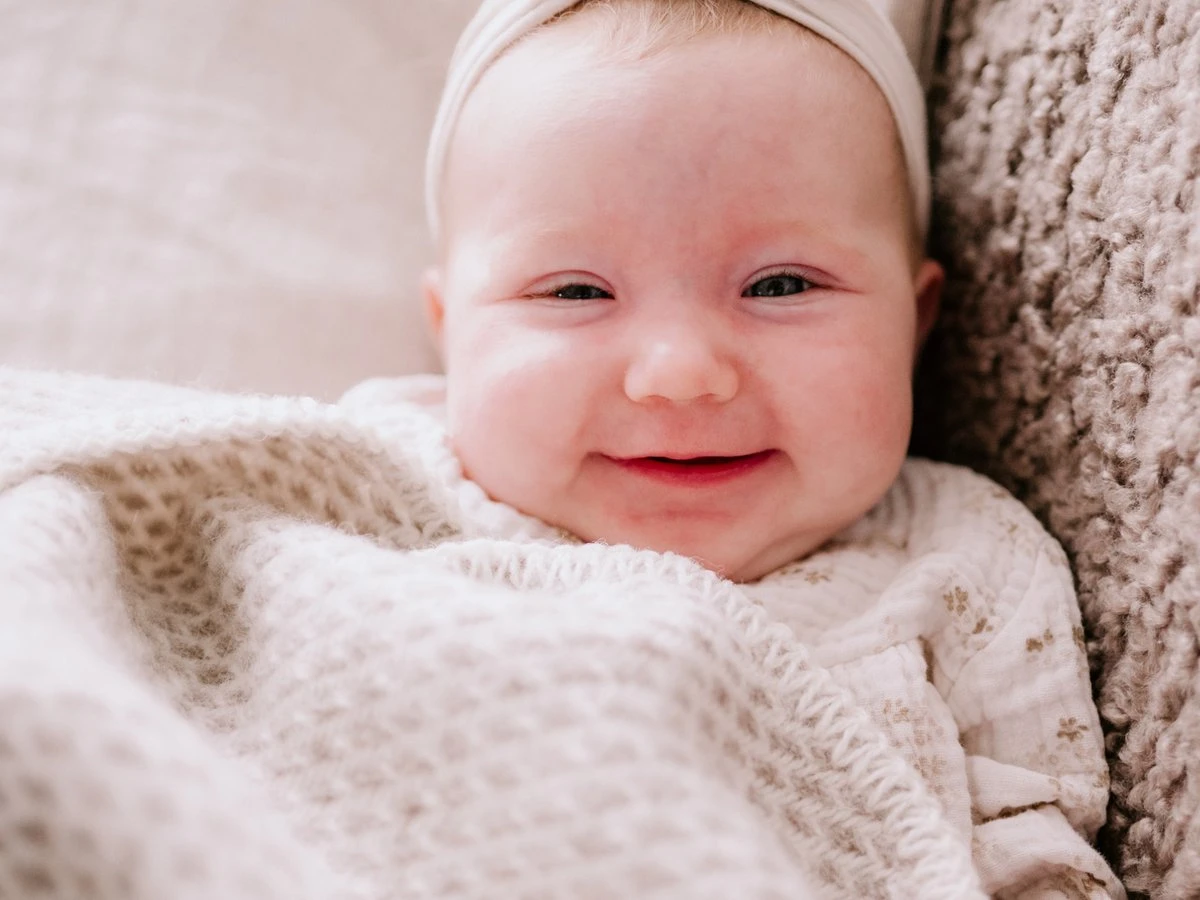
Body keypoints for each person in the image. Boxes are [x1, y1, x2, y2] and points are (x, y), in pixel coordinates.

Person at [357, 0, 1125, 894]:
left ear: (912, 324)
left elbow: (1036, 843)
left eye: (781, 284)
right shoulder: (373, 483)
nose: (681, 374)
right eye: (574, 292)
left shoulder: (964, 561)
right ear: (449, 333)